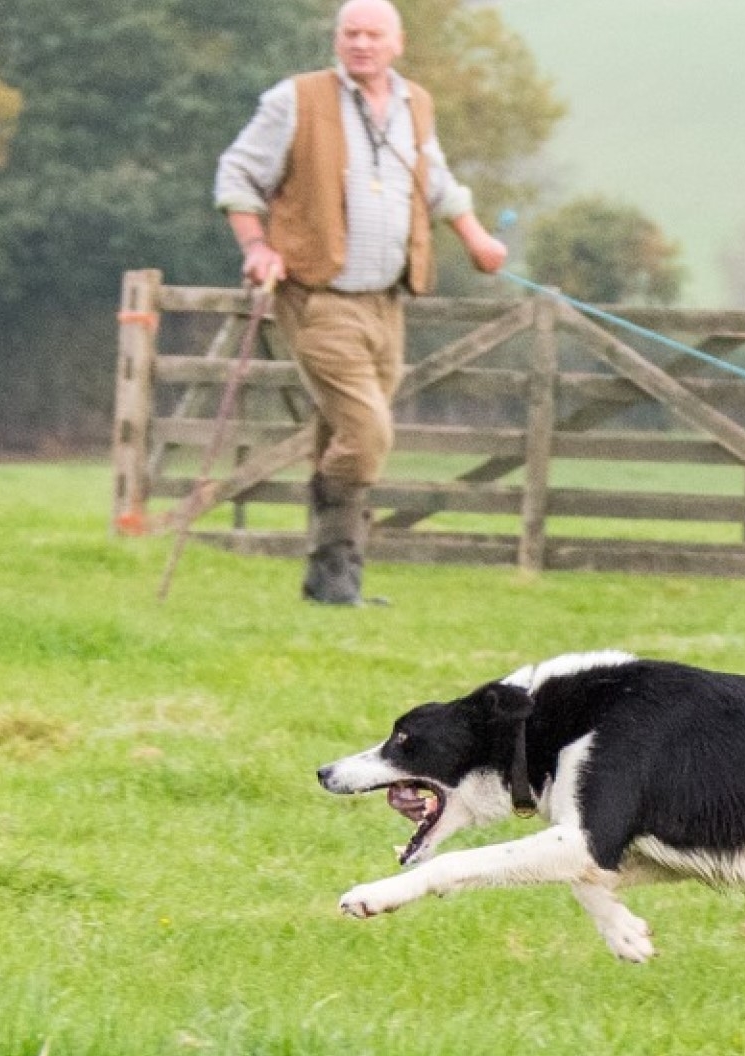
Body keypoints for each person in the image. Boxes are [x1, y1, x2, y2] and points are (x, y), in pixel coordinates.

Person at [214, 0, 507, 605]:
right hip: (318, 296)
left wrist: (477, 239)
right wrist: (256, 246)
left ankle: (330, 583)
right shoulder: (295, 99)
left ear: (397, 43)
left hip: (387, 300)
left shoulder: (414, 104)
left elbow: (437, 183)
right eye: (350, 33)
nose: (361, 44)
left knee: (338, 432)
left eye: (374, 34)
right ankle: (336, 564)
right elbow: (237, 174)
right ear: (336, 40)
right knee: (368, 431)